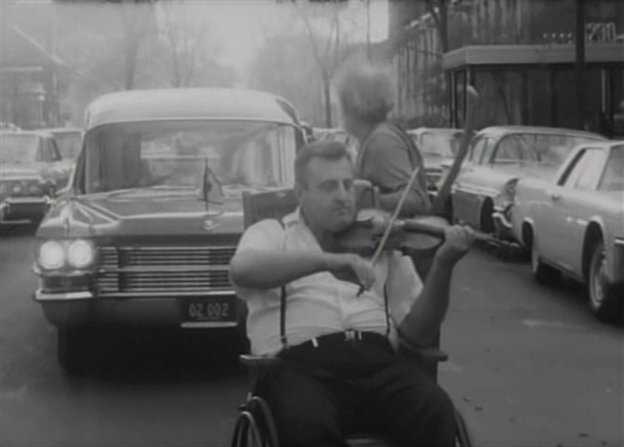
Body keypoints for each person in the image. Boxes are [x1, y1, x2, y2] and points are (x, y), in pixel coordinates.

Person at [230, 140, 474, 447]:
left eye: (348, 185)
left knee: (434, 408)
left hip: (378, 365)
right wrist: (328, 261)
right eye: (329, 186)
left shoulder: (380, 242)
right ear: (300, 193)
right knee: (307, 425)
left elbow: (418, 335)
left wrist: (443, 266)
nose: (343, 197)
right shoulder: (273, 233)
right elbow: (243, 269)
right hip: (300, 369)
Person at [336, 61, 431, 218]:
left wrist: (369, 201)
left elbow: (415, 199)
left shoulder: (382, 142)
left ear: (351, 104)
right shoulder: (373, 138)